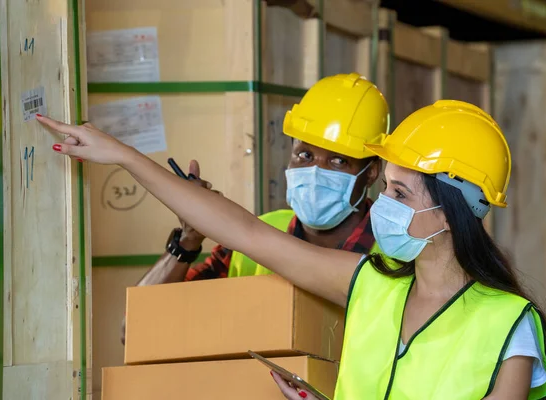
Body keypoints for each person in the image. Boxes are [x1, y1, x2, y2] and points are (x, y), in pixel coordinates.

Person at [37, 97, 546, 399]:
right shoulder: (371, 283)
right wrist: (124, 156)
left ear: (451, 212)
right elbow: (245, 232)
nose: (383, 206)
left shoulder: (506, 324)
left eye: (399, 193)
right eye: (386, 190)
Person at [121, 73, 390, 344]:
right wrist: (189, 239)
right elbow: (135, 331)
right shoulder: (251, 239)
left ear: (371, 172)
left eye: (338, 161)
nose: (315, 173)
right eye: (305, 155)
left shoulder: (394, 254)